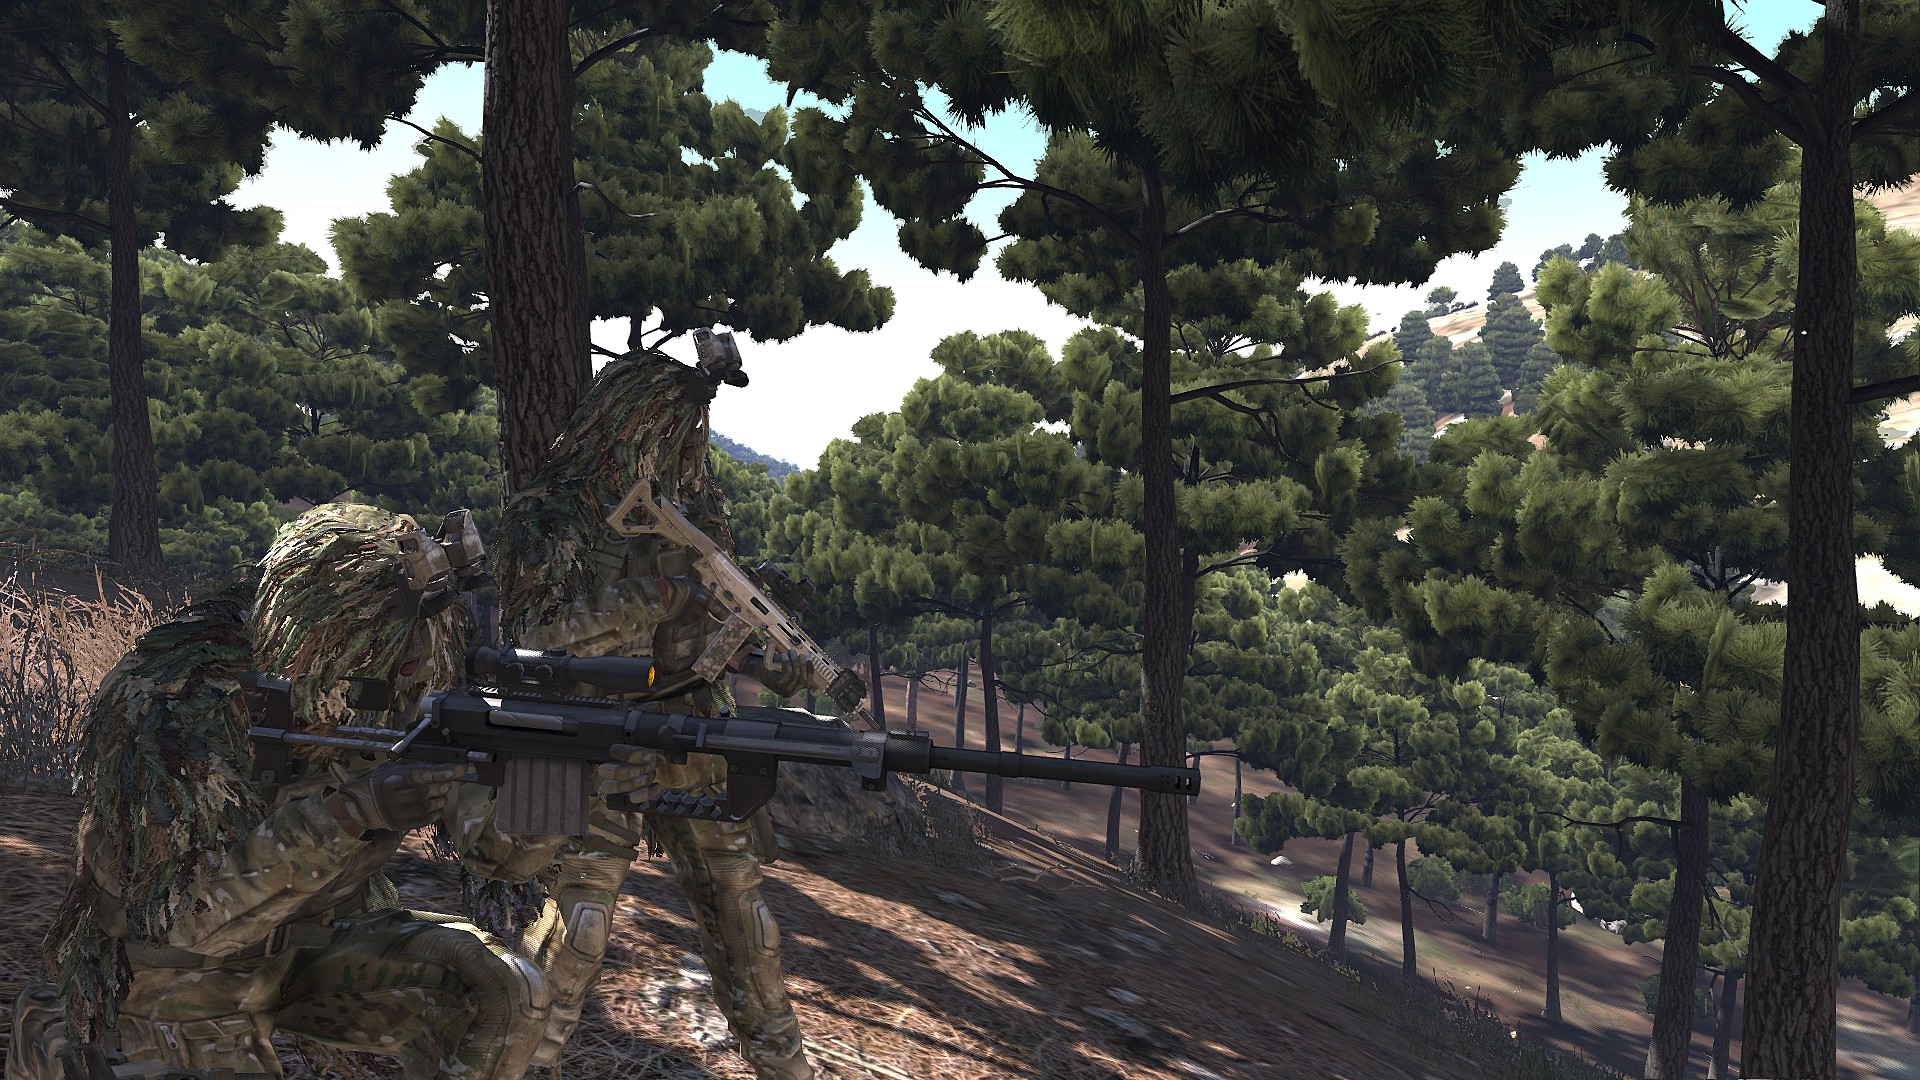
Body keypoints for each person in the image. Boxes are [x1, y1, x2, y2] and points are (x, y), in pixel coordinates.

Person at [7, 504, 579, 1080]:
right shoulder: (175, 700)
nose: (410, 675)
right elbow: (185, 919)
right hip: (168, 980)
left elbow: (501, 857)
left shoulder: (405, 679)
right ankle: (61, 1045)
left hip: (310, 946)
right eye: (388, 658)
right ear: (327, 635)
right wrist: (352, 812)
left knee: (499, 988)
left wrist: (552, 777)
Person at [496, 339, 820, 1080]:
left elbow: (713, 632)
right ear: (627, 422)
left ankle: (786, 1068)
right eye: (670, 428)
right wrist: (657, 597)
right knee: (576, 931)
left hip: (689, 727)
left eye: (693, 429)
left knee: (746, 922)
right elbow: (534, 637)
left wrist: (771, 661)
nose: (686, 446)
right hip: (588, 734)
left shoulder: (696, 514)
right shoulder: (550, 516)